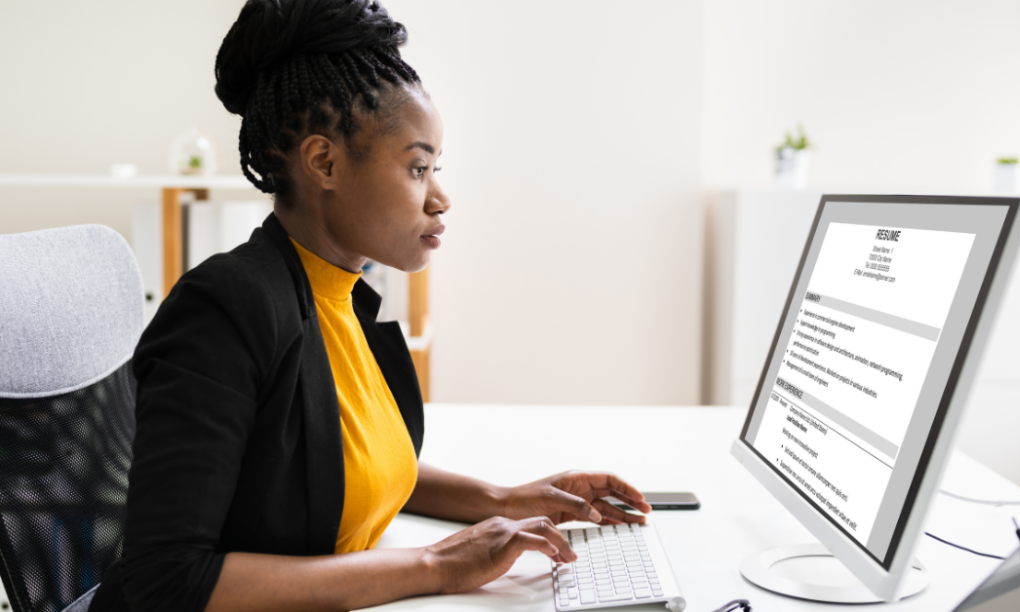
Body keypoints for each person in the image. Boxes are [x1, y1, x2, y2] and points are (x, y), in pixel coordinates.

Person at [87, 2, 651, 611]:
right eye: (416, 168)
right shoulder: (226, 310)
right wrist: (436, 563)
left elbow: (339, 468)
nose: (440, 198)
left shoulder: (349, 299)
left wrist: (504, 500)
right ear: (324, 163)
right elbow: (165, 580)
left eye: (436, 168)